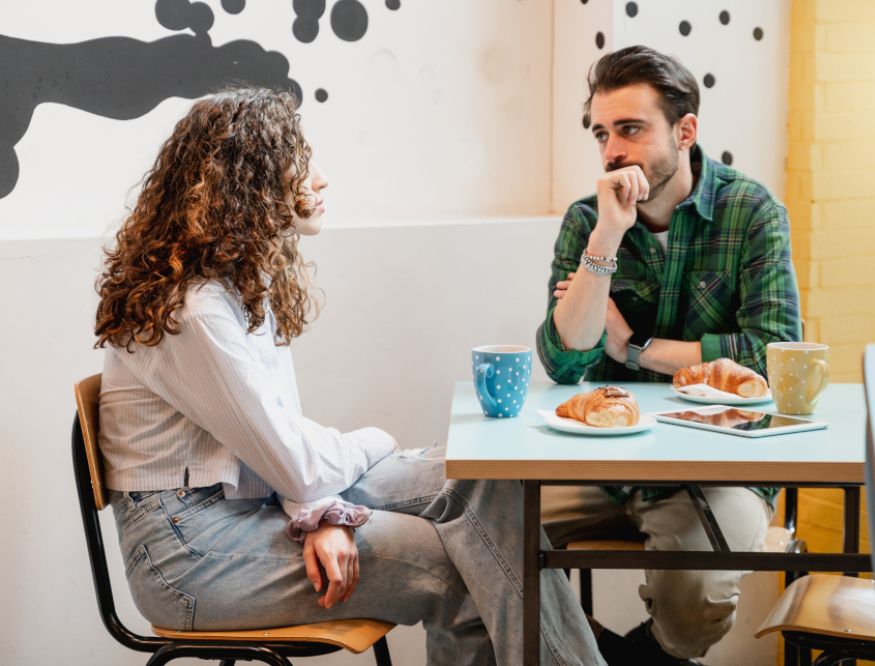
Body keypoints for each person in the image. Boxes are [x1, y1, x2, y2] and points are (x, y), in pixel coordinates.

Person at [94, 88, 604, 666]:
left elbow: (278, 455)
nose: (320, 180)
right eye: (300, 162)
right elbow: (295, 462)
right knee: (455, 567)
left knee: (483, 476)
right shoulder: (197, 310)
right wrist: (374, 443)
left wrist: (323, 513)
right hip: (190, 553)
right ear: (252, 181)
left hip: (246, 506)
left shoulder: (237, 290)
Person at [536, 46, 801, 664]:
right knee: (482, 537)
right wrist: (607, 236)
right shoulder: (587, 221)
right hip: (602, 457)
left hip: (720, 462)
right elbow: (564, 356)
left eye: (630, 129)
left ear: (685, 131)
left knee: (696, 603)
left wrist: (634, 348)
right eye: (602, 133)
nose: (611, 152)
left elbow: (769, 355)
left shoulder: (753, 213)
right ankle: (581, 651)